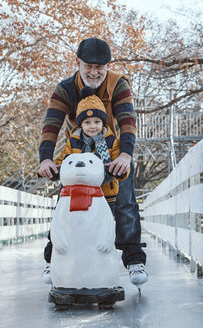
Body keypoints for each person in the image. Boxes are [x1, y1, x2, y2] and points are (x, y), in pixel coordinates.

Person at [38, 37, 147, 288]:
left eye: (101, 67)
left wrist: (125, 156)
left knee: (126, 204)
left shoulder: (118, 84)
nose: (94, 72)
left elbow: (127, 120)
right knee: (65, 207)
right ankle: (53, 258)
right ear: (78, 62)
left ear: (109, 65)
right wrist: (46, 159)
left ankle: (133, 260)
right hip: (77, 155)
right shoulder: (65, 88)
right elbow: (51, 125)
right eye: (88, 66)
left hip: (112, 154)